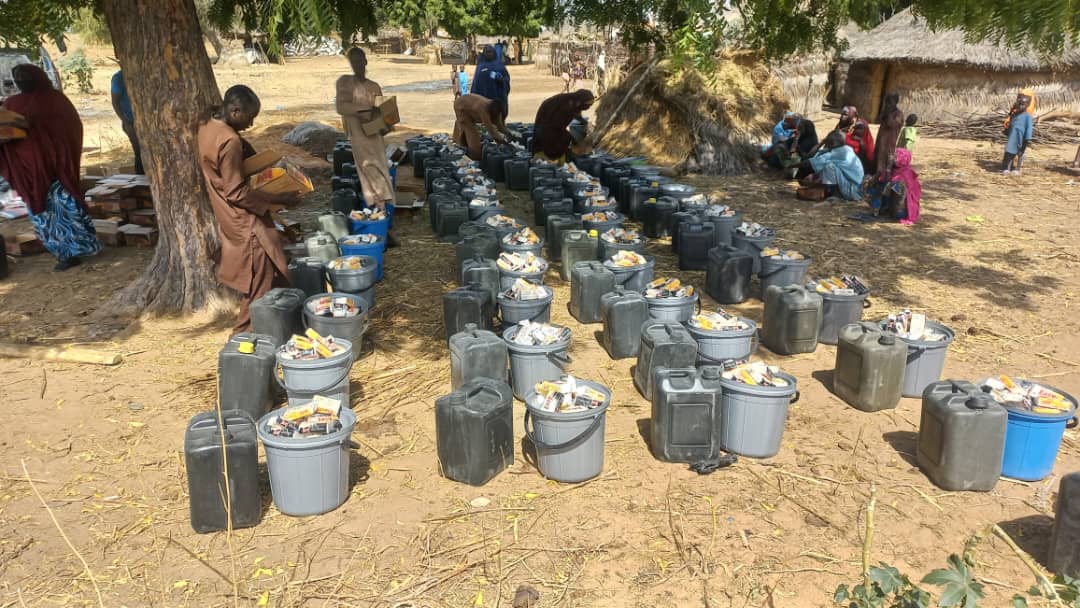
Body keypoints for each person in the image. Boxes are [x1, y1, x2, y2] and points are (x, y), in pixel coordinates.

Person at [198, 85, 299, 332]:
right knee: (258, 283)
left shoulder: (208, 123)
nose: (251, 124)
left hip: (228, 216)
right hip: (244, 221)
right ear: (235, 111)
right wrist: (279, 199)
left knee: (266, 275)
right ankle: (243, 337)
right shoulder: (229, 140)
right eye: (250, 118)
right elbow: (236, 192)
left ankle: (270, 328)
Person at [0, 64, 100, 271]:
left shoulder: (54, 101)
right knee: (45, 211)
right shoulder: (13, 103)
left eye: (25, 77)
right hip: (31, 169)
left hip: (53, 168)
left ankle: (75, 249)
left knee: (62, 207)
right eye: (18, 78)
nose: (21, 81)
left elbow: (71, 129)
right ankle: (64, 252)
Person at [336, 48, 396, 215]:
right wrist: (363, 110)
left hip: (374, 135)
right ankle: (379, 207)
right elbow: (341, 106)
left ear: (365, 61)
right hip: (358, 136)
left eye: (360, 60)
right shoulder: (345, 83)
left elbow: (384, 111)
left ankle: (381, 208)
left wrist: (387, 121)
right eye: (353, 61)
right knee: (367, 170)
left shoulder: (374, 86)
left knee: (380, 168)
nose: (357, 64)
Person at [796, 130, 865, 201]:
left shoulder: (837, 153)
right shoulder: (845, 149)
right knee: (826, 165)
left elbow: (809, 162)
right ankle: (831, 192)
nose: (826, 143)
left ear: (832, 143)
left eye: (827, 141)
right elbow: (811, 157)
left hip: (852, 191)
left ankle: (834, 195)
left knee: (829, 166)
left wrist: (791, 166)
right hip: (855, 190)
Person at [531, 89, 596, 162]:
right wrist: (575, 141)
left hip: (551, 125)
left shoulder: (573, 101)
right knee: (563, 139)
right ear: (579, 102)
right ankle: (553, 157)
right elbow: (557, 127)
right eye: (588, 106)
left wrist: (584, 123)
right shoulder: (566, 106)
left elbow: (577, 115)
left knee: (566, 137)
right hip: (546, 126)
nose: (588, 108)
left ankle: (557, 155)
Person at [866, 148, 921, 224]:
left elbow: (888, 184)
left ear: (902, 159)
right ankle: (881, 209)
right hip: (891, 207)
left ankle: (888, 211)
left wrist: (888, 167)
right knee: (869, 181)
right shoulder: (894, 170)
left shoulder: (906, 173)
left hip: (900, 212)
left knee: (894, 185)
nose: (891, 158)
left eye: (895, 156)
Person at [453, 93, 509, 160]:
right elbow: (491, 130)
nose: (495, 118)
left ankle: (463, 144)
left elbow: (500, 126)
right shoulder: (483, 108)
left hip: (470, 105)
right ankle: (473, 155)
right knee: (472, 134)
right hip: (461, 107)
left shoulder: (497, 110)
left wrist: (509, 134)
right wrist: (503, 142)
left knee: (467, 131)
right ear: (490, 112)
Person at [110, 70, 143, 174]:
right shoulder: (119, 77)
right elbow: (115, 102)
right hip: (131, 122)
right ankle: (141, 179)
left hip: (146, 122)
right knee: (140, 152)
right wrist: (126, 122)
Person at [471, 44, 510, 119]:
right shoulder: (480, 66)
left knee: (498, 119)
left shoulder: (499, 65)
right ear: (484, 53)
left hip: (497, 98)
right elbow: (475, 82)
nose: (489, 54)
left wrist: (501, 79)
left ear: (494, 52)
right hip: (483, 98)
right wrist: (473, 96)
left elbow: (506, 79)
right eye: (487, 52)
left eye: (490, 52)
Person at [1002, 89, 1035, 175]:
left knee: (1020, 153)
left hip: (1022, 139)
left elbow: (1029, 128)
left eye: (1023, 104)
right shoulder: (1014, 114)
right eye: (1019, 104)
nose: (1021, 106)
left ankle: (1017, 169)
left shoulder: (1027, 117)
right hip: (1012, 138)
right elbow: (1010, 124)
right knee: (1010, 153)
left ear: (1027, 105)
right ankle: (1007, 168)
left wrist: (1028, 139)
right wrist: (1007, 130)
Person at [873, 92, 904, 178]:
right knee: (878, 155)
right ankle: (876, 174)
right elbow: (878, 120)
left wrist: (889, 114)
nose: (887, 104)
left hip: (889, 142)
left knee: (886, 157)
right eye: (886, 102)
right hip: (881, 140)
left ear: (895, 102)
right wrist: (884, 113)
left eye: (890, 102)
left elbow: (892, 124)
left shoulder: (898, 114)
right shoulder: (885, 112)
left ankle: (884, 176)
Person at [835, 106, 874, 173]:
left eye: (860, 128)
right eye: (855, 128)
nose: (856, 130)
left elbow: (869, 159)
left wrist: (861, 143)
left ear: (865, 130)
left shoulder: (868, 142)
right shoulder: (848, 136)